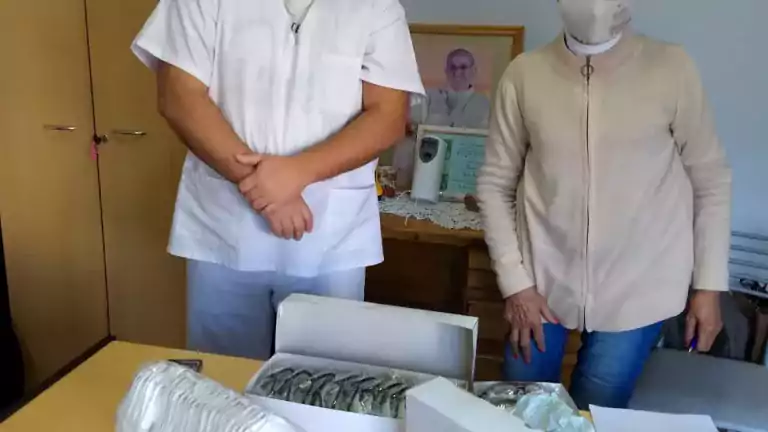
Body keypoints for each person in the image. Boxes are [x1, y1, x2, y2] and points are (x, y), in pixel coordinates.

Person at [132, 0, 424, 360]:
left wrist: (299, 172)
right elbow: (179, 96)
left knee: (322, 386)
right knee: (225, 384)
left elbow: (388, 115)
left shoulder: (376, 7)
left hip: (331, 237)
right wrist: (271, 192)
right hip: (224, 232)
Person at [477, 0, 731, 409]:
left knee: (595, 411)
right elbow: (494, 182)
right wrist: (515, 283)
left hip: (640, 284)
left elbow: (711, 179)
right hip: (540, 280)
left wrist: (709, 286)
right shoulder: (524, 75)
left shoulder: (671, 68)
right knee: (520, 408)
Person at [425, 48, 491, 129]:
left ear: (474, 70)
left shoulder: (484, 103)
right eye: (453, 67)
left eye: (463, 67)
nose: (457, 72)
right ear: (446, 71)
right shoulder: (430, 97)